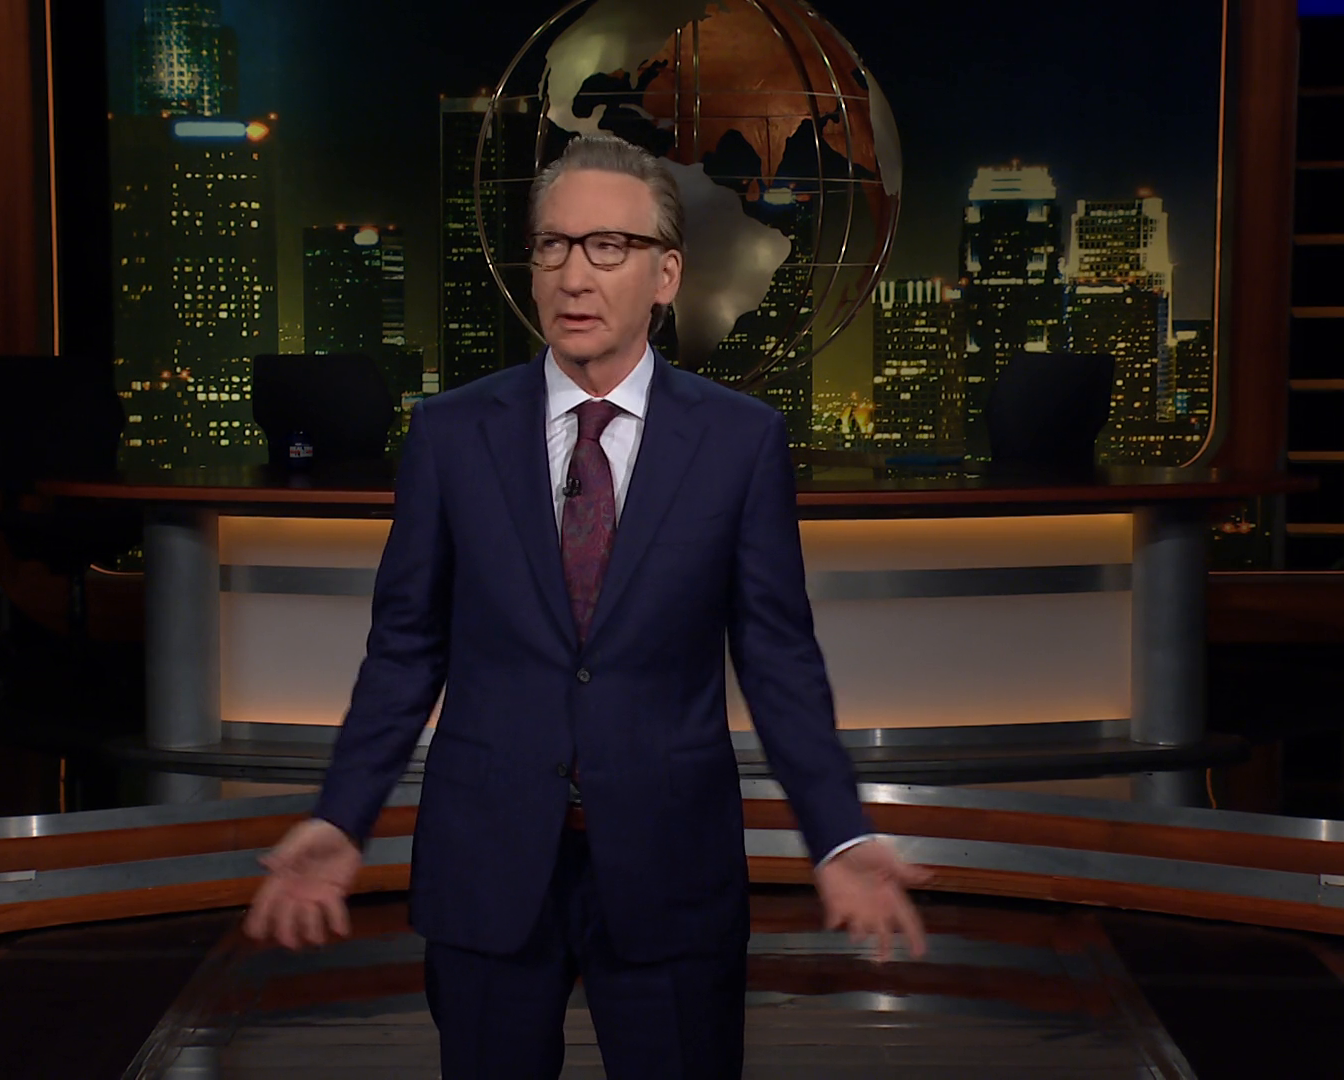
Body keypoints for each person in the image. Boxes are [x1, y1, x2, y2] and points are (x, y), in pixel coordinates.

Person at [245, 134, 928, 1079]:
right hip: (488, 860)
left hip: (670, 863)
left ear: (665, 274)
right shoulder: (450, 434)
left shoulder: (739, 443)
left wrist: (838, 829)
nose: (574, 275)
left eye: (609, 246)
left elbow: (777, 658)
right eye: (553, 246)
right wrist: (342, 815)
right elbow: (404, 647)